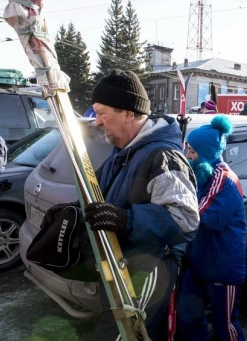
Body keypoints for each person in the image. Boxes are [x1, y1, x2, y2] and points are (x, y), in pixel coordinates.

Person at [45, 70, 200, 340]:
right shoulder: (124, 150)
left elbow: (185, 220)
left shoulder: (162, 156)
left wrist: (126, 220)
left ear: (129, 113)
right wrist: (73, 210)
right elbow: (102, 197)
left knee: (121, 334)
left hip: (148, 270)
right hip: (119, 265)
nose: (96, 122)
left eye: (102, 112)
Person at [178, 115, 246, 341]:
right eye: (188, 149)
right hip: (199, 263)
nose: (188, 155)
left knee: (225, 326)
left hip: (223, 268)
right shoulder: (201, 174)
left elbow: (202, 217)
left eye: (193, 152)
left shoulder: (223, 179)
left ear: (206, 154)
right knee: (187, 317)